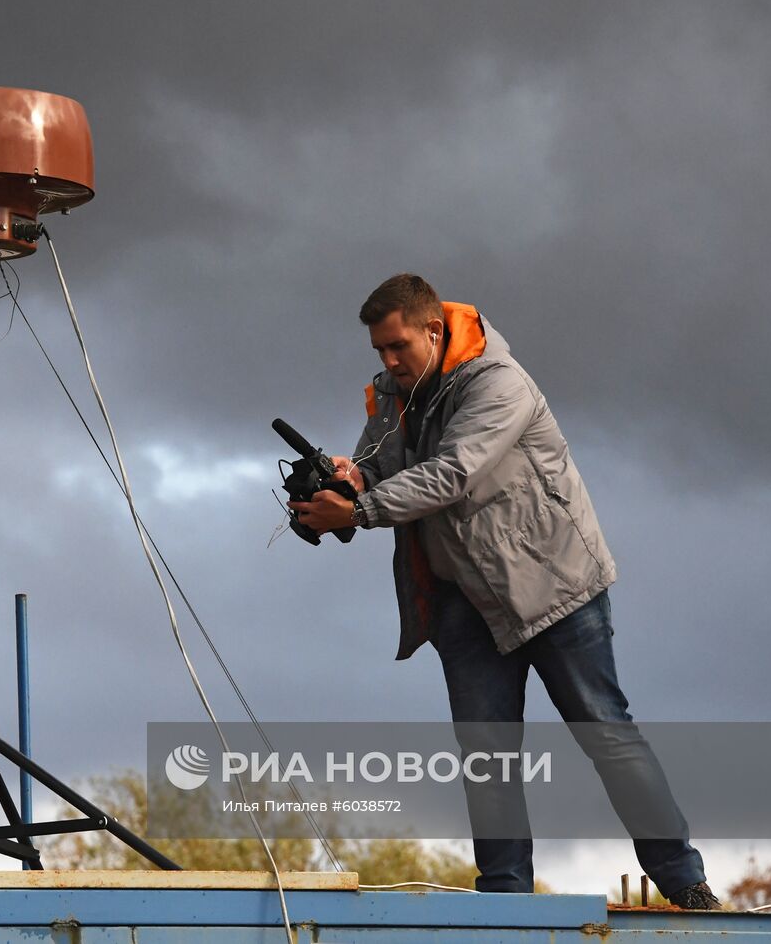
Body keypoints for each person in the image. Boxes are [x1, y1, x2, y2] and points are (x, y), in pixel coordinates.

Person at [288, 273, 719, 907]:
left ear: (433, 331)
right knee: (486, 759)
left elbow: (452, 474)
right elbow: (379, 463)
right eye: (378, 350)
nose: (386, 360)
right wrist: (349, 478)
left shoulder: (499, 382)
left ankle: (685, 883)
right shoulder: (391, 393)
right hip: (462, 598)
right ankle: (504, 902)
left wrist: (356, 513)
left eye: (397, 345)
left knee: (605, 732)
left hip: (555, 588)